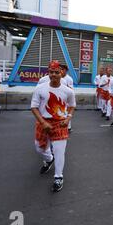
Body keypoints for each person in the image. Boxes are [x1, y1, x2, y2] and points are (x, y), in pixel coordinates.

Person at [31, 60, 76, 192]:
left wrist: (68, 118)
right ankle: (49, 159)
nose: (54, 75)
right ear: (48, 73)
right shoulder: (40, 88)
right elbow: (33, 107)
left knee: (59, 151)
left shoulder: (68, 91)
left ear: (61, 73)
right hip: (43, 122)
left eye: (57, 72)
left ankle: (58, 177)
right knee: (39, 148)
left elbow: (72, 106)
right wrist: (43, 122)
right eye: (52, 72)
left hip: (60, 124)